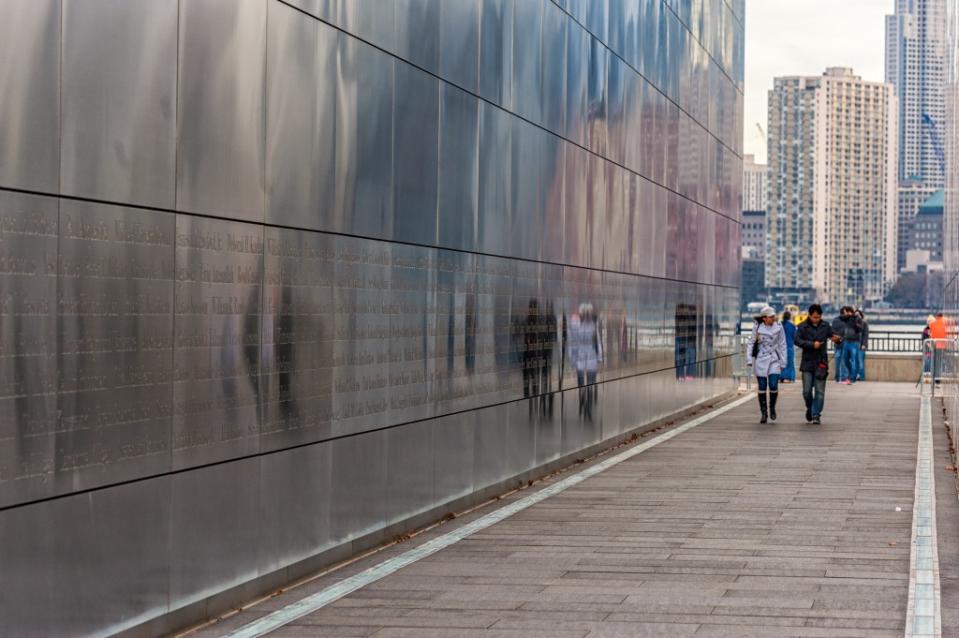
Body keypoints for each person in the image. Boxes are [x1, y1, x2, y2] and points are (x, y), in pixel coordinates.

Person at [794, 304, 840, 424]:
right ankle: (810, 408)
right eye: (814, 317)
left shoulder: (826, 326)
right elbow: (797, 341)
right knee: (806, 391)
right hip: (807, 363)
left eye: (818, 317)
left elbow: (834, 336)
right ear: (809, 315)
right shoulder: (802, 326)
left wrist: (837, 339)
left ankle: (816, 415)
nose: (816, 319)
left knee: (820, 392)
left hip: (821, 363)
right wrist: (811, 344)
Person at [746, 306, 787, 424]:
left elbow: (782, 344)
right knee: (762, 387)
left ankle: (772, 407)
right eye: (771, 317)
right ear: (764, 318)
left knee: (773, 385)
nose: (773, 318)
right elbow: (751, 342)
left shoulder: (779, 326)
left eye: (774, 316)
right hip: (761, 359)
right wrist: (749, 359)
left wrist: (783, 361)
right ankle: (763, 412)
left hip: (774, 358)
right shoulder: (757, 327)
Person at [930, 311, 948, 382]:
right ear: (942, 317)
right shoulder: (945, 323)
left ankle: (936, 378)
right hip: (944, 345)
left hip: (935, 345)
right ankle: (938, 378)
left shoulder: (932, 324)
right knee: (941, 362)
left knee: (936, 362)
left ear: (937, 316)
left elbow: (931, 333)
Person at [781, 310, 797, 382]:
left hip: (780, 347)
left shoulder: (780, 325)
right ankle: (790, 377)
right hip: (789, 346)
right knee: (790, 363)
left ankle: (781, 377)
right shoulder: (792, 326)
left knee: (780, 362)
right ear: (790, 317)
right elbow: (795, 337)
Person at [856, 309, 868, 381]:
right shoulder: (853, 324)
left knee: (861, 363)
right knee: (854, 362)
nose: (857, 316)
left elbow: (865, 335)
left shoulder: (864, 323)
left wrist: (864, 344)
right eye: (855, 315)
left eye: (858, 314)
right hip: (854, 345)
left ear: (861, 315)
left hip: (861, 346)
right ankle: (855, 376)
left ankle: (862, 377)